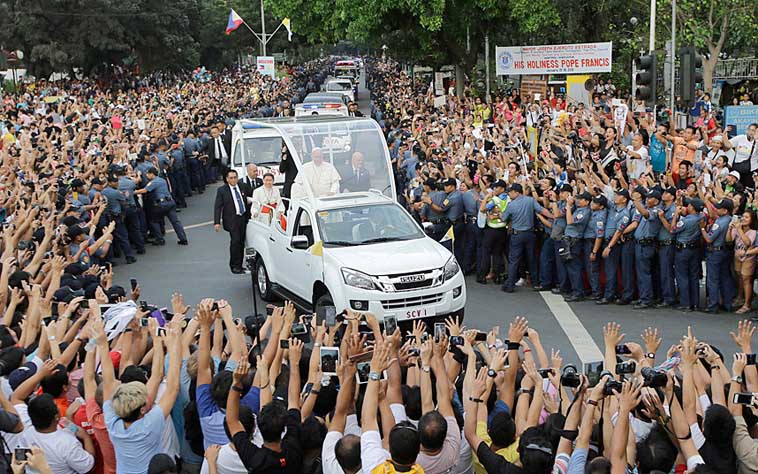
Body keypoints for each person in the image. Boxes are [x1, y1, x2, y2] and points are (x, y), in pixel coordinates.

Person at [500, 182, 551, 293]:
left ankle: (510, 284)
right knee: (532, 259)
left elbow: (503, 218)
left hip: (517, 234)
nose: (509, 194)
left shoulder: (511, 205)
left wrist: (498, 212)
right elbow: (542, 210)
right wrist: (553, 217)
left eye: (510, 192)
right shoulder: (530, 200)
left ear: (516, 192)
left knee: (514, 260)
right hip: (529, 234)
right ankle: (536, 282)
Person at [134, 167, 189, 246]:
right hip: (170, 202)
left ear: (152, 174)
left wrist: (133, 192)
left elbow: (144, 190)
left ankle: (160, 239)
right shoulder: (162, 180)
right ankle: (183, 239)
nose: (146, 176)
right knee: (175, 221)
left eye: (147, 174)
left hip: (161, 204)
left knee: (154, 221)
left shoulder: (153, 182)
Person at [214, 170, 254, 274]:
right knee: (235, 241)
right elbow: (218, 207)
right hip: (232, 220)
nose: (233, 180)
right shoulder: (222, 190)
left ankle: (240, 265)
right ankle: (234, 265)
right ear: (227, 179)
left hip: (243, 218)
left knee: (241, 242)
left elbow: (253, 194)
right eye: (231, 178)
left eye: (235, 177)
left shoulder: (243, 186)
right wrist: (217, 222)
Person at [700, 198, 736, 313]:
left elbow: (709, 239)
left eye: (719, 208)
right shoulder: (730, 220)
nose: (716, 210)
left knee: (713, 279)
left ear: (725, 210)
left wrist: (702, 228)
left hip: (715, 252)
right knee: (725, 278)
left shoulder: (720, 222)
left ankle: (713, 305)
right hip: (725, 251)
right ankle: (727, 304)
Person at [672, 198, 705, 311]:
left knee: (682, 276)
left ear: (692, 208)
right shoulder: (702, 217)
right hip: (695, 249)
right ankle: (695, 303)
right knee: (694, 276)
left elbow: (673, 229)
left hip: (683, 250)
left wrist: (676, 215)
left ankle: (685, 303)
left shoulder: (686, 221)